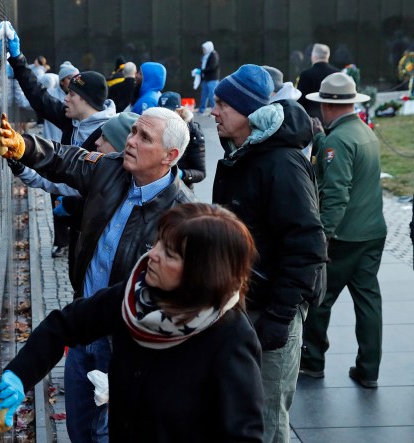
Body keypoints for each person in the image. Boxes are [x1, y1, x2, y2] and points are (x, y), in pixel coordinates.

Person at [0, 106, 195, 442]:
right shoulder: (112, 169)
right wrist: (23, 146)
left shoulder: (182, 216)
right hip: (82, 329)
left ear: (170, 156)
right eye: (133, 131)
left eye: (144, 137)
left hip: (126, 345)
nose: (131, 141)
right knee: (79, 429)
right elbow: (66, 159)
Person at [0, 203, 264, 441]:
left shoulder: (231, 337)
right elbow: (65, 325)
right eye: (158, 242)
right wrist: (16, 377)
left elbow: (242, 434)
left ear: (202, 273)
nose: (153, 254)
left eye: (169, 253)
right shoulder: (136, 295)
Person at [211, 64, 327, 442]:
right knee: (238, 408)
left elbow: (308, 246)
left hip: (272, 311)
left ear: (248, 112)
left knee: (266, 417)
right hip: (242, 306)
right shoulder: (239, 155)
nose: (214, 112)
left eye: (222, 105)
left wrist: (279, 317)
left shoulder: (281, 163)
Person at [301, 72, 386, 389]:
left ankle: (311, 362)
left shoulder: (338, 140)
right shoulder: (364, 131)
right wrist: (324, 141)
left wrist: (321, 236)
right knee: (368, 302)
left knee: (320, 299)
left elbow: (336, 193)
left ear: (328, 106)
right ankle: (368, 369)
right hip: (373, 231)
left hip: (344, 236)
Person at [2, 22, 116, 260]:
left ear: (85, 100)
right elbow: (39, 98)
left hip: (96, 225)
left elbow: (74, 182)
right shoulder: (71, 119)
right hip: (76, 216)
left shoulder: (109, 136)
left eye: (72, 94)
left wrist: (27, 166)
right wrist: (17, 59)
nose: (66, 98)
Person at [156, 91, 206, 188]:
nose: (164, 117)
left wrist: (181, 174)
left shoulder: (194, 133)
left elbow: (201, 173)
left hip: (180, 189)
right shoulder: (156, 127)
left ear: (180, 111)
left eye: (169, 113)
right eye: (161, 113)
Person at [296, 43, 340, 121]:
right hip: (333, 118)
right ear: (328, 56)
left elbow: (300, 101)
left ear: (314, 56)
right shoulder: (337, 74)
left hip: (311, 120)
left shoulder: (306, 74)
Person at [193, 41, 220, 114]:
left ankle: (215, 111)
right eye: (203, 49)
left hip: (212, 80)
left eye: (204, 49)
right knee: (203, 95)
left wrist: (201, 71)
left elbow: (212, 67)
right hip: (205, 79)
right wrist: (198, 71)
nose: (203, 50)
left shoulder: (214, 55)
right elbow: (202, 65)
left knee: (212, 96)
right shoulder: (204, 56)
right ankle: (201, 109)